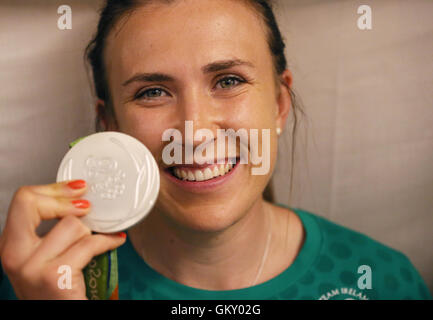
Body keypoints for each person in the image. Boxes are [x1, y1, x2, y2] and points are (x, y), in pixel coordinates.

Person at [0, 0, 431, 300]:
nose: (194, 131)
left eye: (228, 81)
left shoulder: (384, 281)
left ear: (279, 104)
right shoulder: (38, 282)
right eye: (153, 91)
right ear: (110, 124)